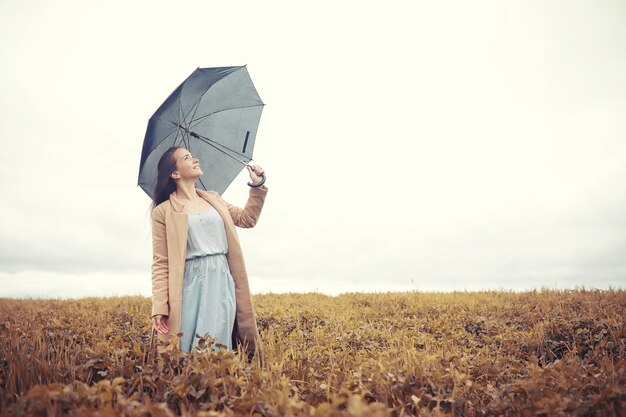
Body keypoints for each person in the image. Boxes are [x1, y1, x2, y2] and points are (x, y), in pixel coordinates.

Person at [149, 146, 268, 362]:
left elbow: (247, 219)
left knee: (216, 345)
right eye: (187, 157)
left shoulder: (214, 199)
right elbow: (160, 263)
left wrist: (257, 185)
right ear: (175, 173)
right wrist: (159, 305)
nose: (195, 159)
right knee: (185, 347)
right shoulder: (163, 212)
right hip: (188, 285)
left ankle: (218, 389)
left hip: (221, 279)